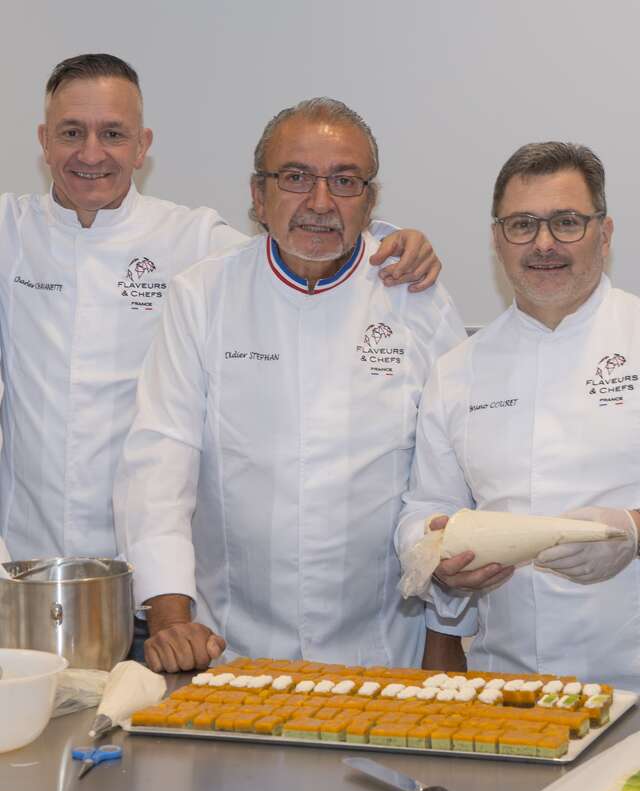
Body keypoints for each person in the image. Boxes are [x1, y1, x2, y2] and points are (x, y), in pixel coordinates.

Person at [0, 53, 440, 562]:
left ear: (142, 146)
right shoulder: (10, 230)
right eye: (71, 132)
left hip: (148, 557)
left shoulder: (193, 238)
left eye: (113, 134)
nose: (91, 153)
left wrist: (391, 239)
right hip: (23, 558)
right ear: (44, 141)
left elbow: (298, 243)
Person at [114, 97, 466, 673]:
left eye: (345, 181)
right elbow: (159, 465)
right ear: (258, 195)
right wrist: (172, 621)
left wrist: (444, 643)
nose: (320, 203)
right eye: (296, 177)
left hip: (384, 655)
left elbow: (450, 481)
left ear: (370, 200)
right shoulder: (203, 296)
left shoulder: (417, 299)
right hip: (229, 652)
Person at [396, 142, 640, 691]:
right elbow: (428, 505)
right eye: (522, 225)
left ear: (605, 234)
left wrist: (635, 531)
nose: (544, 243)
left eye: (567, 222)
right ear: (497, 240)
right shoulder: (458, 370)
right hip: (508, 687)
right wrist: (433, 556)